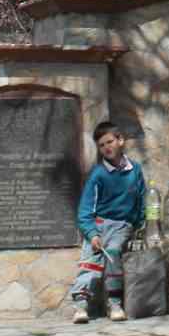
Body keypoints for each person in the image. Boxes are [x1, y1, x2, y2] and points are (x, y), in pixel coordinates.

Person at [69, 120, 146, 324]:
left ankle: (115, 303)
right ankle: (80, 305)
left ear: (120, 140)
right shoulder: (98, 174)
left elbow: (141, 199)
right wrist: (92, 234)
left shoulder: (135, 170)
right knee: (90, 261)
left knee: (113, 255)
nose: (106, 147)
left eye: (109, 142)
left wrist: (140, 224)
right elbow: (85, 210)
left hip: (122, 225)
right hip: (99, 224)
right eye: (101, 145)